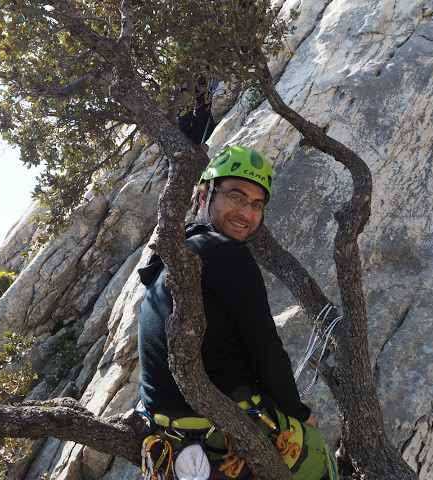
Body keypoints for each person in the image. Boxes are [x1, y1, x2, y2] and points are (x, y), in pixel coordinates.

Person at [137, 146, 334, 479]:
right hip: (218, 432)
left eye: (257, 205)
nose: (247, 213)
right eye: (236, 197)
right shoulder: (225, 252)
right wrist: (299, 414)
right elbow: (266, 351)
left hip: (168, 437)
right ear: (204, 195)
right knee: (317, 452)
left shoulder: (171, 257)